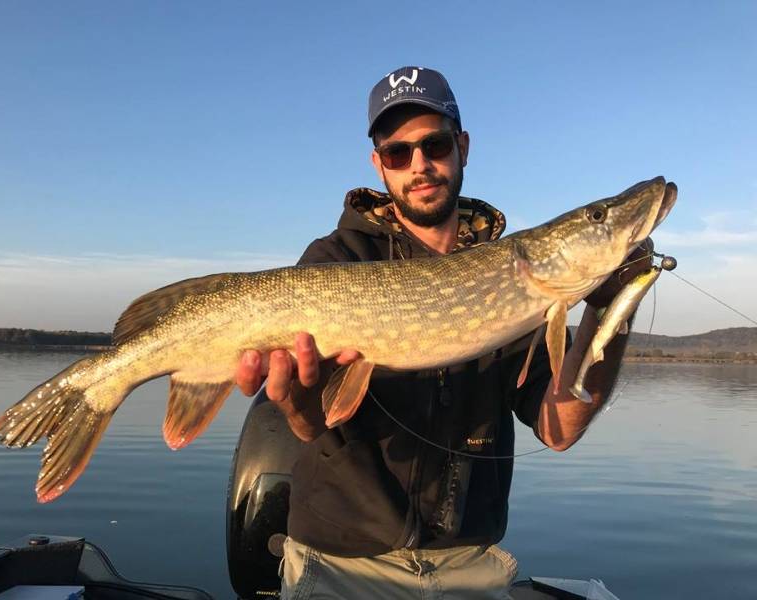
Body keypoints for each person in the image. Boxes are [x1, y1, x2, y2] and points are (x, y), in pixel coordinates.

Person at [234, 66, 662, 599]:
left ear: (461, 146)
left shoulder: (515, 287)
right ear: (379, 165)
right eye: (397, 153)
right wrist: (295, 403)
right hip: (343, 568)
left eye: (434, 143)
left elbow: (560, 428)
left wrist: (609, 311)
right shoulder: (336, 260)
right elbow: (310, 421)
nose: (419, 164)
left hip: (469, 569)